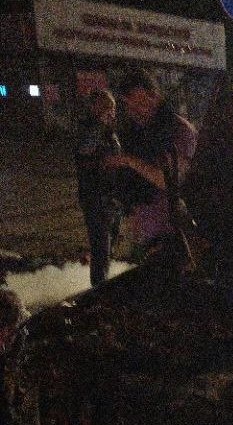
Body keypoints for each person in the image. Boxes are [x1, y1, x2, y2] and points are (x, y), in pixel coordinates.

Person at [105, 68, 198, 267]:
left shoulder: (180, 131)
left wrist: (129, 161)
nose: (134, 112)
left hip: (173, 236)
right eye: (129, 107)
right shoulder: (139, 133)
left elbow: (169, 181)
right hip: (144, 234)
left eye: (140, 104)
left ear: (154, 96)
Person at [74, 88, 123, 286]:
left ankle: (104, 283)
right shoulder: (86, 129)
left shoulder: (110, 132)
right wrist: (101, 125)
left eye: (113, 108)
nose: (111, 112)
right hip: (94, 198)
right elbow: (84, 150)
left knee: (109, 247)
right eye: (106, 107)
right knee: (101, 248)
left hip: (111, 197)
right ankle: (99, 290)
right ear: (94, 108)